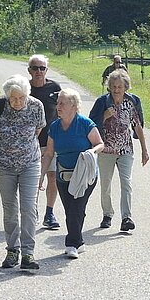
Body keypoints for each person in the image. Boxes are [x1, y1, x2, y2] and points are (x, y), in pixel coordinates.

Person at [0, 75, 45, 270]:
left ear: (27, 95)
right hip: (4, 165)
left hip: (30, 163)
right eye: (13, 98)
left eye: (21, 98)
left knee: (28, 207)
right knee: (10, 208)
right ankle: (12, 250)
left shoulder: (36, 106)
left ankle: (28, 253)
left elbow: (37, 132)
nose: (17, 102)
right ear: (7, 96)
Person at [40, 88, 104, 259]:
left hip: (85, 175)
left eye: (62, 103)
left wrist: (92, 151)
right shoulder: (55, 127)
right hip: (64, 175)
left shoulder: (85, 124)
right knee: (72, 210)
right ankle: (79, 242)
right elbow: (49, 154)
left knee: (76, 207)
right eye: (58, 103)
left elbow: (100, 143)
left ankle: (72, 244)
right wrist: (41, 175)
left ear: (73, 105)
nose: (58, 106)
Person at [89, 69, 149, 232]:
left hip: (125, 149)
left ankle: (126, 218)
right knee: (106, 184)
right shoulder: (102, 102)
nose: (116, 90)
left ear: (125, 87)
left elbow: (137, 126)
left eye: (119, 87)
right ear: (109, 87)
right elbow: (91, 124)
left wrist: (144, 149)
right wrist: (104, 116)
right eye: (114, 87)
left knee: (126, 183)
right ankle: (107, 214)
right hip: (106, 150)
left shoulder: (131, 103)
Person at [28, 54, 62, 230]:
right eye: (35, 68)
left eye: (42, 68)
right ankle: (31, 212)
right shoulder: (24, 88)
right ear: (29, 70)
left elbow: (62, 110)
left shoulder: (55, 88)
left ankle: (49, 213)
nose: (39, 71)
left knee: (52, 176)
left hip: (51, 142)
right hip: (29, 143)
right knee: (32, 179)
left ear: (46, 70)